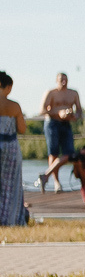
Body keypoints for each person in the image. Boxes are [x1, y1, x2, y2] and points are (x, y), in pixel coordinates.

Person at [38, 72, 82, 194]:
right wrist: (58, 113)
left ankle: (45, 176)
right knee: (53, 153)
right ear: (56, 80)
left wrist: (73, 116)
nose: (63, 82)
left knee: (69, 153)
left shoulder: (73, 93)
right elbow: (42, 110)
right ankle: (56, 183)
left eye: (65, 79)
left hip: (66, 124)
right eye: (61, 79)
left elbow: (79, 111)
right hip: (52, 123)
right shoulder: (51, 93)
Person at [0, 72, 29, 226]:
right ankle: (9, 218)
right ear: (7, 86)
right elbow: (22, 129)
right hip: (10, 146)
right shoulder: (14, 106)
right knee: (11, 184)